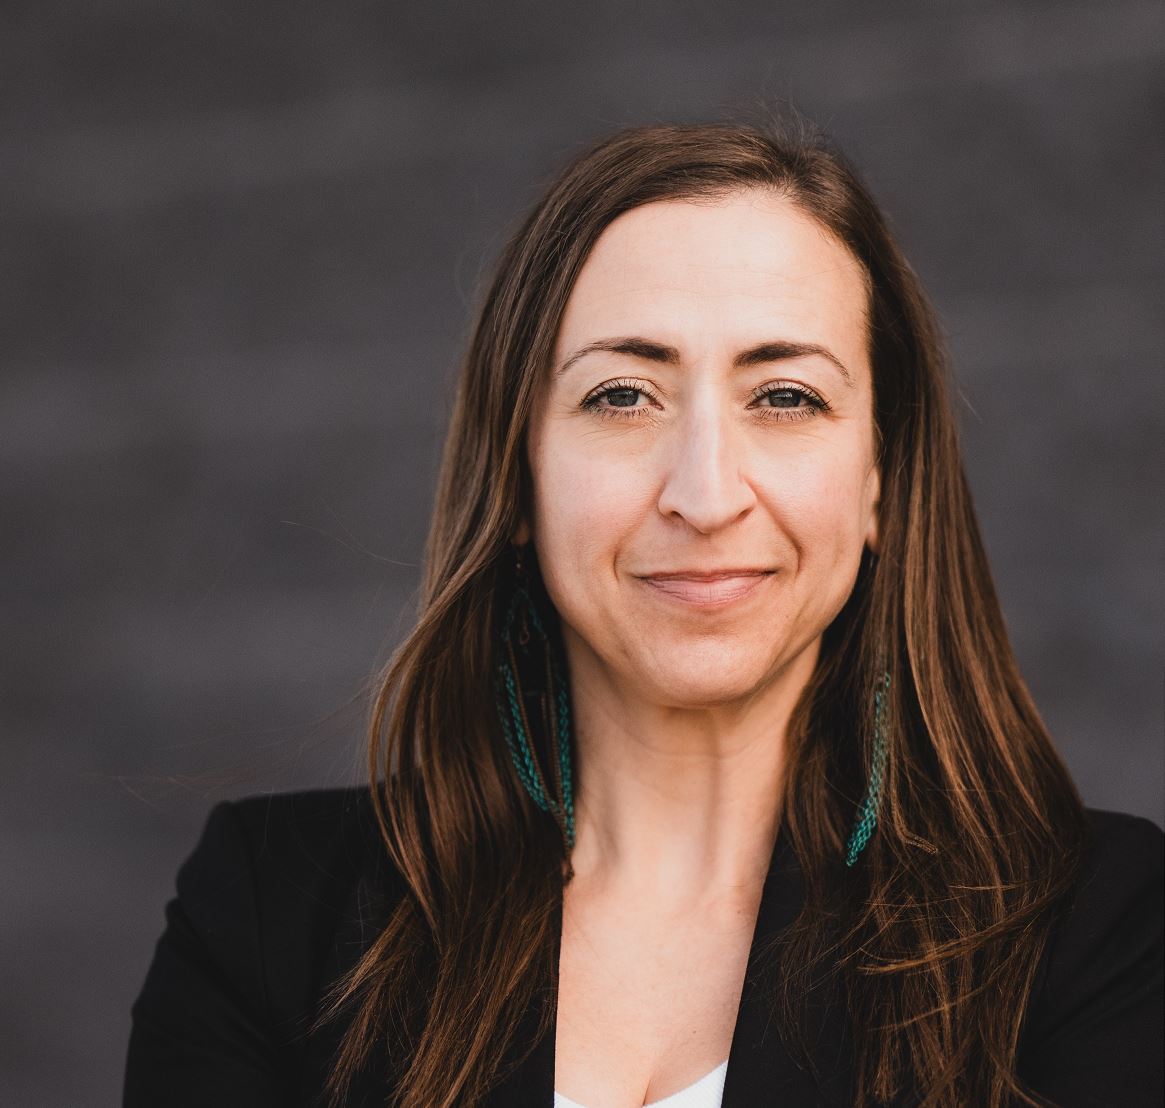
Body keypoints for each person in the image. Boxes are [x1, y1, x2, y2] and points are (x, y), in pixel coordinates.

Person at [123, 119, 1164, 1108]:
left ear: (879, 479)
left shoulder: (1092, 926)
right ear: (519, 476)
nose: (705, 495)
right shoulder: (275, 910)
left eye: (785, 397)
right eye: (622, 395)